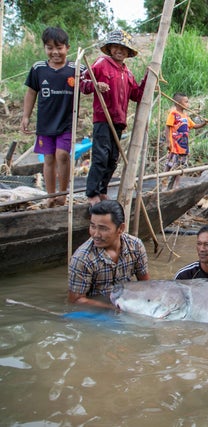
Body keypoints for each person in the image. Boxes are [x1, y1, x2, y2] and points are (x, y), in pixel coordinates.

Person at [80, 29, 146, 206]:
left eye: (123, 49)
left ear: (128, 53)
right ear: (110, 48)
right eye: (116, 47)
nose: (119, 51)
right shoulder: (101, 64)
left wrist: (148, 79)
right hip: (103, 118)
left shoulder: (127, 73)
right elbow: (83, 83)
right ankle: (92, 193)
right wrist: (96, 85)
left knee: (112, 159)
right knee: (101, 156)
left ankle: (102, 190)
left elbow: (136, 95)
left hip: (118, 120)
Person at [21, 27, 85, 208]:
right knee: (48, 159)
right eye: (50, 48)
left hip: (66, 122)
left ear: (67, 47)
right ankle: (50, 196)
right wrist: (26, 116)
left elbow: (91, 83)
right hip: (45, 123)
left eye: (59, 47)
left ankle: (63, 195)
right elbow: (31, 92)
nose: (55, 52)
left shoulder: (77, 68)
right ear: (45, 49)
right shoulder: (38, 69)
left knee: (63, 155)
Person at [68, 200, 150, 308]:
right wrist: (113, 308)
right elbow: (75, 300)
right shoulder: (83, 258)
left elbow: (146, 285)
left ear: (120, 228)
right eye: (93, 226)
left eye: (103, 228)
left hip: (124, 303)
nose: (96, 234)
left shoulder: (136, 246)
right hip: (96, 311)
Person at [163, 92, 206, 189]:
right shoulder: (174, 114)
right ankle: (163, 183)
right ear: (178, 103)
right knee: (169, 164)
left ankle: (176, 186)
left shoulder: (186, 116)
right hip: (174, 146)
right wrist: (168, 141)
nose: (188, 104)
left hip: (183, 146)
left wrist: (204, 123)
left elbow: (194, 126)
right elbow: (168, 127)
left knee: (180, 167)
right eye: (186, 102)